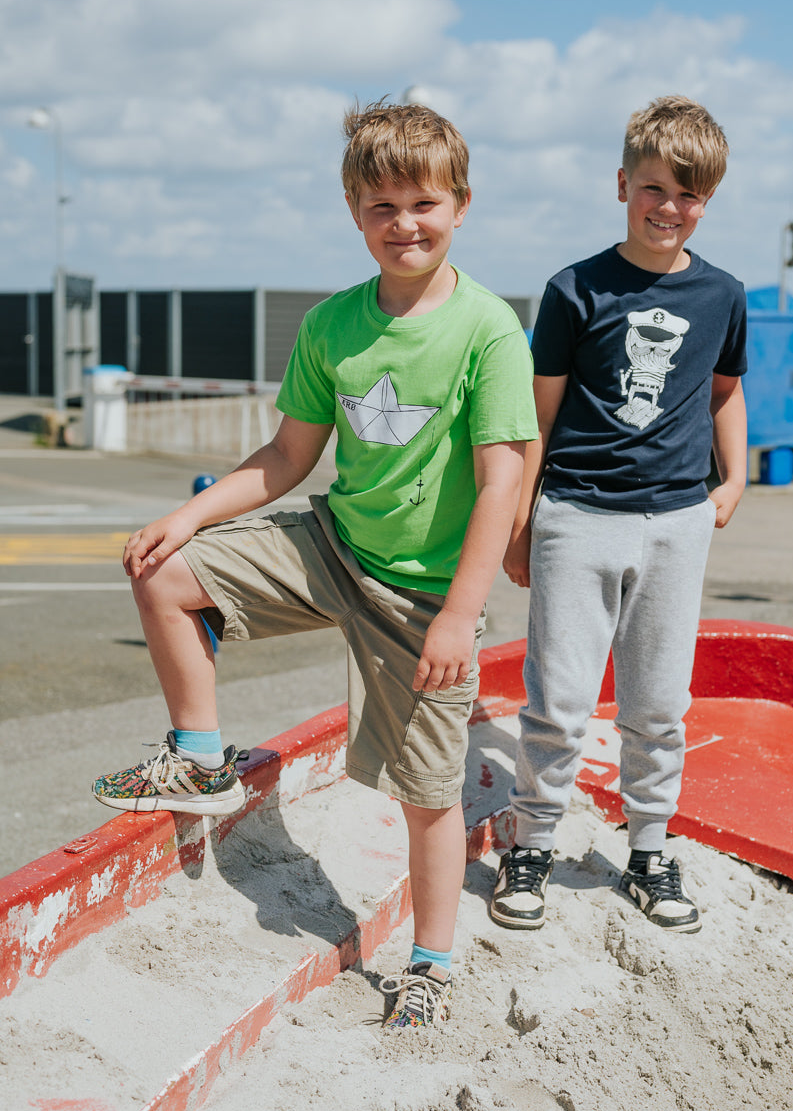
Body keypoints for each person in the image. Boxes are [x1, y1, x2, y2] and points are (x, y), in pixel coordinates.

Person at [92, 100, 537, 1027]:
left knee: (426, 795)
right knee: (165, 576)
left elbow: (504, 482)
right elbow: (286, 459)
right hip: (335, 545)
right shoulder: (334, 325)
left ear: (461, 204)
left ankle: (431, 963)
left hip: (423, 594)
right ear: (352, 210)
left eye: (424, 204)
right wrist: (187, 516)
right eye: (382, 207)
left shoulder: (489, 330)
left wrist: (462, 612)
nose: (404, 224)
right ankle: (200, 760)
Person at [489, 95, 748, 936]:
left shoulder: (723, 294)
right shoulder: (574, 289)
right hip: (577, 515)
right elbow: (540, 417)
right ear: (623, 183)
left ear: (707, 200)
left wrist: (734, 479)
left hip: (675, 523)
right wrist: (523, 523)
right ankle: (532, 842)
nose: (669, 208)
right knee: (559, 700)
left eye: (690, 194)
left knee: (658, 702)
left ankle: (648, 848)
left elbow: (724, 392)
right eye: (654, 188)